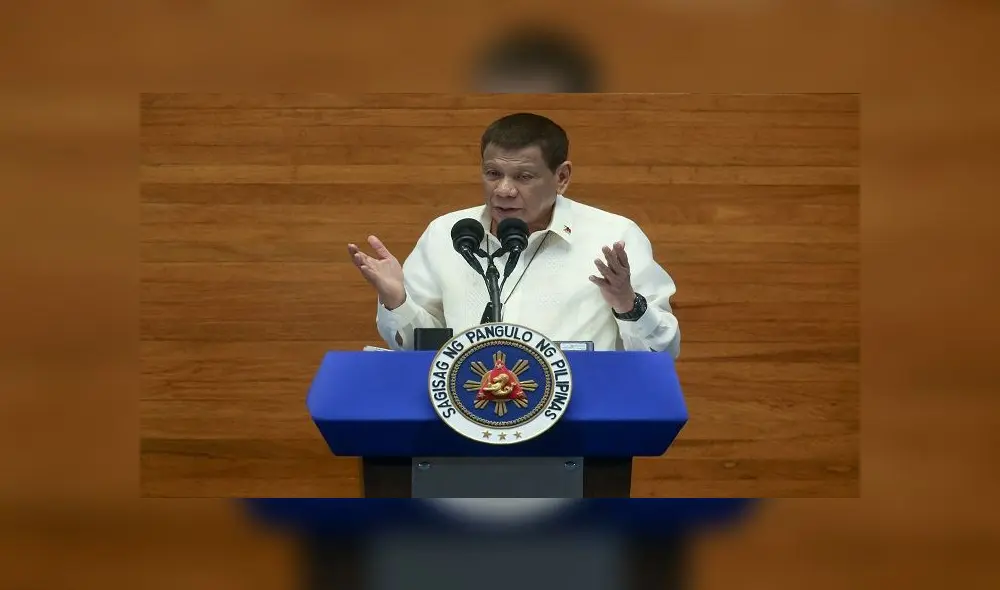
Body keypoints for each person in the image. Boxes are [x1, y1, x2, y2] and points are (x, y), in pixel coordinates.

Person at [347, 112, 680, 356]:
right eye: (493, 173)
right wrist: (397, 302)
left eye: (524, 177)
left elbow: (663, 352)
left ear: (562, 177)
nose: (503, 190)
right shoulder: (446, 234)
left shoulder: (612, 236)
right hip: (466, 417)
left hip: (580, 418)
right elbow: (421, 351)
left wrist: (628, 304)